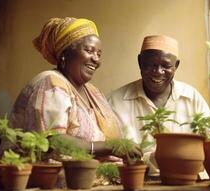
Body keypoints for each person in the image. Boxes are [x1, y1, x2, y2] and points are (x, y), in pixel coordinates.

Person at [8, 17, 140, 161]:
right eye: (89, 50)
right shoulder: (51, 83)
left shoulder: (93, 92)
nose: (96, 59)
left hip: (93, 176)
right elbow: (52, 141)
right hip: (53, 178)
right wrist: (110, 146)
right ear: (64, 54)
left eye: (99, 54)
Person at [108, 35, 210, 175]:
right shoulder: (116, 101)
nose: (158, 72)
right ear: (140, 62)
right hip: (138, 185)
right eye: (151, 64)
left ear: (176, 66)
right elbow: (110, 154)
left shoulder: (192, 98)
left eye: (166, 66)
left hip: (189, 182)